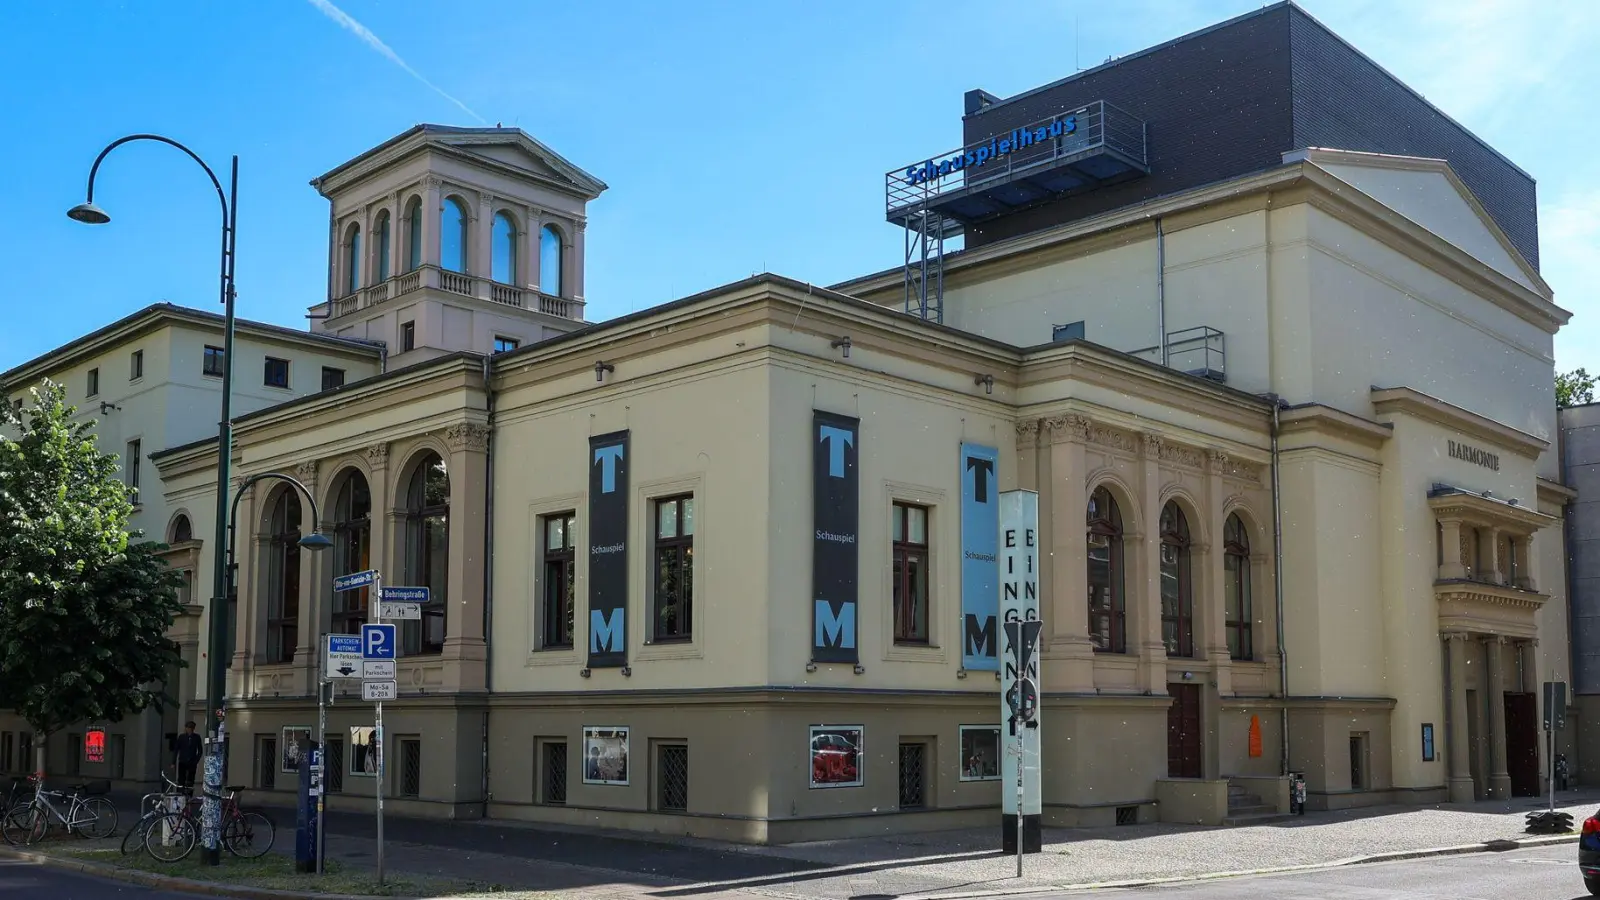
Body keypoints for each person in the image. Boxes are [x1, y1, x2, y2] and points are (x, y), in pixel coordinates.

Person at [174, 721, 202, 789]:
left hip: (192, 761)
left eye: (191, 728)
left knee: (190, 779)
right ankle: (180, 792)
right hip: (183, 761)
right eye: (188, 728)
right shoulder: (182, 737)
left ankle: (189, 793)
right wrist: (173, 762)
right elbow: (176, 749)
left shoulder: (197, 737)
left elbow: (200, 750)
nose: (189, 730)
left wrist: (196, 760)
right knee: (181, 779)